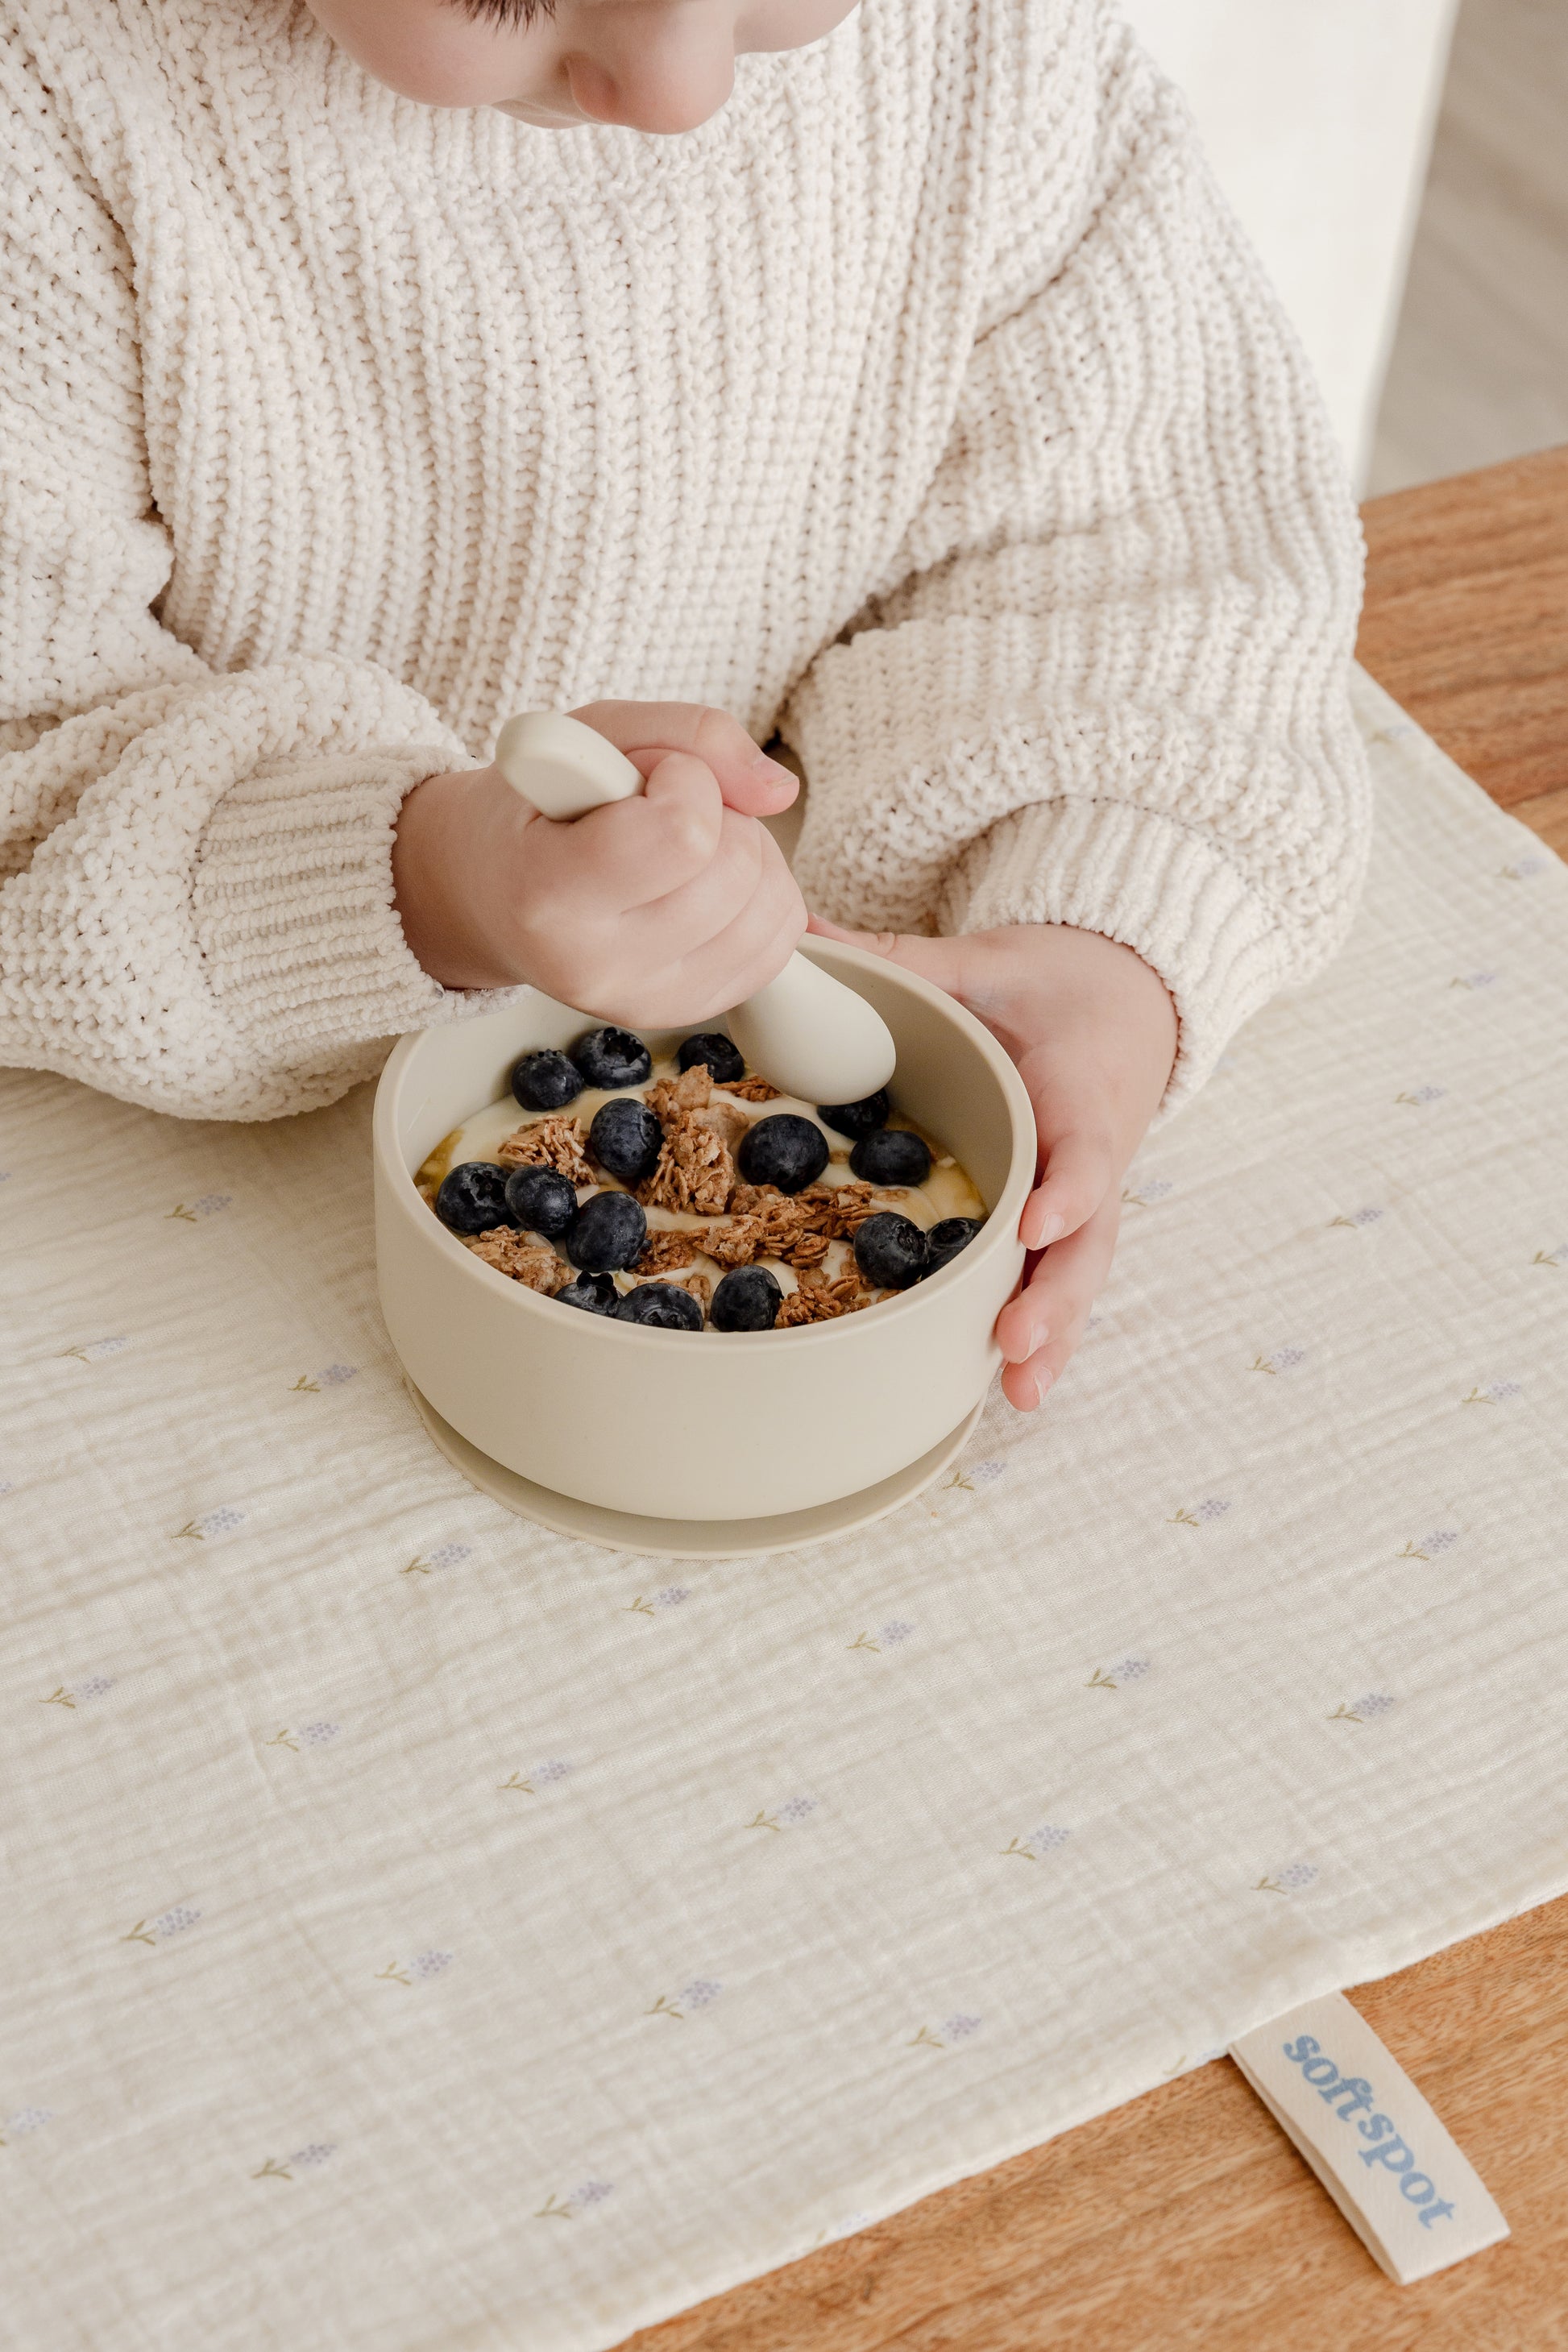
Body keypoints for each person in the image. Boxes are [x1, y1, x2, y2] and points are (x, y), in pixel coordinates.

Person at [0, 0, 1367, 1412]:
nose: (677, 90)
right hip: (153, 1214)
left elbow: (1145, 571)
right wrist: (423, 879)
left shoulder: (991, 55)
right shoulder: (44, 100)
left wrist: (1097, 932)